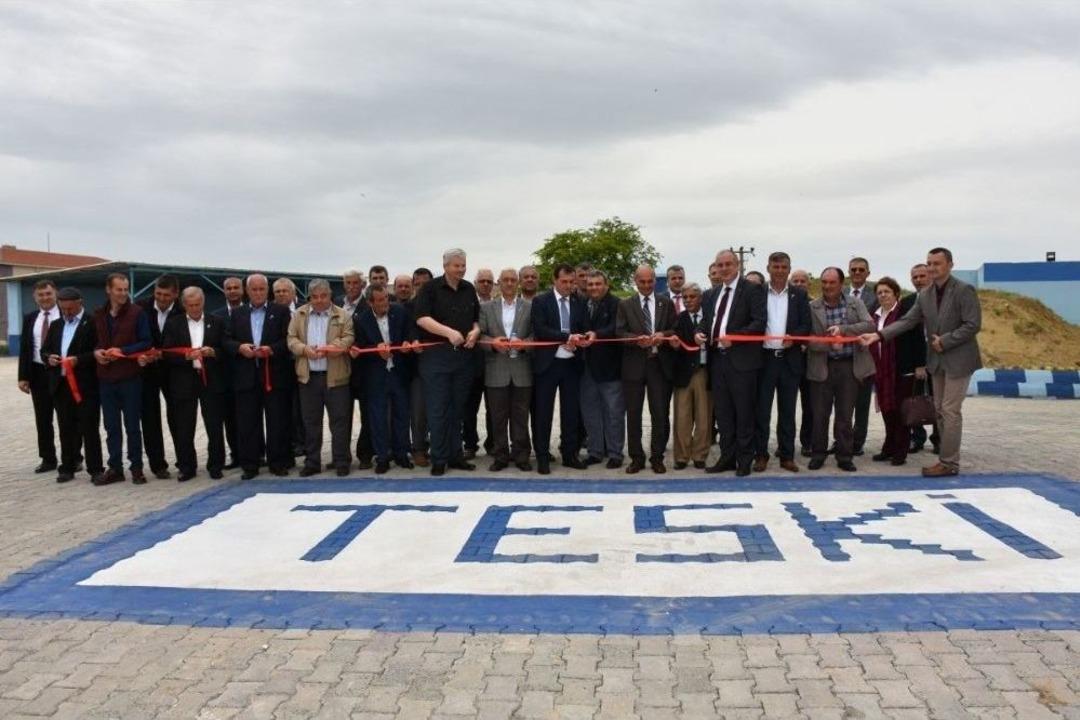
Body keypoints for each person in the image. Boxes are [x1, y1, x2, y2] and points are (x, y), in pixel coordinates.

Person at [861, 248, 982, 477]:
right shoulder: (925, 295)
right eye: (929, 263)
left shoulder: (964, 290)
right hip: (936, 362)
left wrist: (945, 341)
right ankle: (946, 459)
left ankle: (948, 463)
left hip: (959, 359)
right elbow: (907, 321)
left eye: (937, 263)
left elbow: (972, 324)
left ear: (950, 265)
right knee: (940, 410)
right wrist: (878, 336)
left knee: (950, 410)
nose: (932, 267)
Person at [694, 250, 767, 476]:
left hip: (743, 361)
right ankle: (727, 457)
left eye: (728, 264)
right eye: (720, 265)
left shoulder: (752, 290)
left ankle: (745, 459)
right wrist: (698, 333)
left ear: (737, 265)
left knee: (744, 413)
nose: (724, 268)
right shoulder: (710, 294)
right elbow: (707, 322)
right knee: (724, 414)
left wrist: (734, 339)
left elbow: (759, 323)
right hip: (717, 362)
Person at [414, 249, 482, 476]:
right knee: (438, 409)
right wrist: (448, 333)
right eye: (456, 266)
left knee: (457, 409)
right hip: (436, 358)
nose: (461, 269)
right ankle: (439, 458)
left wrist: (475, 332)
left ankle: (456, 455)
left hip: (463, 358)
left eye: (463, 265)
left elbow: (476, 320)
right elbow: (422, 318)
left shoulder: (468, 288)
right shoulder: (430, 288)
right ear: (445, 266)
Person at [224, 274, 294, 479]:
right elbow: (226, 340)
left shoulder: (280, 312)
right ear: (247, 291)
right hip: (246, 377)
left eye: (261, 289)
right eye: (254, 289)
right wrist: (239, 347)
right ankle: (250, 465)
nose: (258, 293)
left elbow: (287, 340)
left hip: (274, 376)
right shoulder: (236, 314)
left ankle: (278, 463)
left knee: (277, 421)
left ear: (267, 291)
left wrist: (271, 349)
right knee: (247, 423)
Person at [806, 268, 875, 472]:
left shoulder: (855, 303)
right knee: (819, 414)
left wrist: (843, 332)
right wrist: (829, 344)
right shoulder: (812, 307)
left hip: (849, 366)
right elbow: (808, 339)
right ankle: (818, 453)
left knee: (845, 415)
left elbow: (869, 326)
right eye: (824, 282)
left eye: (832, 282)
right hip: (822, 365)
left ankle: (844, 456)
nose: (827, 286)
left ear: (841, 283)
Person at [287, 278, 355, 476]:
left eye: (323, 296)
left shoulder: (343, 315)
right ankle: (312, 462)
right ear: (309, 297)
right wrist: (304, 349)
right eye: (315, 297)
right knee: (311, 423)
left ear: (330, 295)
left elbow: (349, 336)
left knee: (340, 422)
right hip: (308, 378)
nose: (319, 300)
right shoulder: (298, 315)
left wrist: (336, 347)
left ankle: (341, 461)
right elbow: (291, 339)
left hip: (336, 377)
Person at [753, 252, 811, 473]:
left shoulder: (799, 295)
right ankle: (761, 455)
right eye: (775, 266)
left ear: (789, 268)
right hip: (764, 360)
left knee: (787, 412)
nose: (779, 270)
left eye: (783, 267)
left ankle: (787, 456)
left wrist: (794, 337)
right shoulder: (756, 292)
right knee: (762, 412)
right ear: (768, 268)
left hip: (790, 361)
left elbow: (806, 324)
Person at [93, 272, 152, 485]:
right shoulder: (99, 313)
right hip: (106, 379)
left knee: (132, 426)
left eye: (126, 289)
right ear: (108, 290)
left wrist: (123, 351)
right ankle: (115, 468)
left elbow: (146, 341)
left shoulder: (138, 313)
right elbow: (95, 342)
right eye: (119, 289)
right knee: (111, 427)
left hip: (130, 378)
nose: (123, 293)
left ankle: (136, 468)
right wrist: (97, 353)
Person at [531, 263, 590, 475]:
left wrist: (581, 338)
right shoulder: (541, 301)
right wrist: (566, 337)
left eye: (571, 282)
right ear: (554, 280)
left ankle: (569, 454)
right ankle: (543, 456)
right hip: (548, 364)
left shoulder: (580, 301)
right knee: (543, 412)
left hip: (572, 363)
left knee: (571, 412)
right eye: (564, 282)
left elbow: (583, 327)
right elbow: (541, 329)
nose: (568, 286)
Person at [162, 287, 226, 481]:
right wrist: (186, 357)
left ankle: (216, 465)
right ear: (184, 305)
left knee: (214, 424)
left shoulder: (217, 322)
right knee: (184, 426)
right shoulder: (174, 324)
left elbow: (226, 349)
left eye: (198, 304)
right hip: (184, 380)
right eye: (190, 305)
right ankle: (187, 466)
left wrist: (213, 352)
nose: (195, 308)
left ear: (203, 303)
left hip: (211, 380)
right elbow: (167, 352)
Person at [618, 265, 676, 474]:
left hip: (658, 366)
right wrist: (635, 340)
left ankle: (657, 457)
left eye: (649, 281)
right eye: (642, 282)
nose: (646, 285)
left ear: (654, 281)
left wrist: (663, 334)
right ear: (635, 281)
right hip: (633, 366)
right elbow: (619, 333)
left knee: (659, 413)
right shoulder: (625, 304)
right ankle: (636, 458)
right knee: (633, 415)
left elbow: (674, 330)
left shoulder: (666, 303)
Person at [43, 287, 104, 484]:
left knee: (89, 428)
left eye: (70, 308)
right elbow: (45, 350)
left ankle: (95, 469)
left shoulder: (92, 323)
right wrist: (48, 358)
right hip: (61, 386)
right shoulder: (56, 325)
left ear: (79, 303)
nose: (67, 312)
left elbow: (98, 351)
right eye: (63, 309)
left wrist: (79, 359)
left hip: (85, 386)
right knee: (65, 428)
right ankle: (67, 467)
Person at [350, 285, 414, 473]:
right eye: (379, 300)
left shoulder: (400, 312)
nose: (384, 303)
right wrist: (375, 351)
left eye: (386, 298)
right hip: (375, 376)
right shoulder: (361, 320)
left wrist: (406, 344)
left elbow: (409, 333)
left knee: (402, 415)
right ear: (370, 302)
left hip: (398, 372)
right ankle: (382, 457)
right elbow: (360, 347)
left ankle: (402, 454)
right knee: (377, 418)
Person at [478, 268, 533, 471]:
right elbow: (480, 336)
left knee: (520, 416)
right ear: (498, 283)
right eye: (505, 280)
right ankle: (500, 455)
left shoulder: (529, 307)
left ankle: (521, 456)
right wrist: (493, 342)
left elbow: (537, 334)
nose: (509, 283)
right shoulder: (486, 307)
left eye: (513, 280)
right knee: (498, 417)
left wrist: (525, 344)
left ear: (518, 283)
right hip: (496, 368)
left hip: (521, 369)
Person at [865, 277, 918, 466]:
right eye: (879, 292)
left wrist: (919, 365)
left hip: (901, 370)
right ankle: (889, 447)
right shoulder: (874, 314)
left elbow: (917, 338)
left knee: (900, 412)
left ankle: (900, 451)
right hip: (881, 371)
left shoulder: (906, 313)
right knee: (887, 410)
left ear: (896, 293)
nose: (883, 295)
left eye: (887, 291)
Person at [137, 275, 182, 480]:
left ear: (175, 294)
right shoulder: (139, 308)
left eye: (166, 294)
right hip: (147, 371)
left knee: (178, 417)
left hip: (174, 371)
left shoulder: (183, 310)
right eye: (158, 294)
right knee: (150, 418)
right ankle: (158, 465)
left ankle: (184, 461)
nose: (161, 298)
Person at [580, 270, 625, 469]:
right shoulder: (582, 304)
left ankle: (615, 453)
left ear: (606, 285)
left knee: (614, 413)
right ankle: (595, 451)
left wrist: (596, 334)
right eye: (590, 284)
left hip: (610, 369)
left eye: (598, 284)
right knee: (591, 413)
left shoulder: (617, 304)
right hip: (586, 368)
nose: (594, 288)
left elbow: (617, 329)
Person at [18, 279, 60, 473]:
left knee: (67, 418)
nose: (45, 298)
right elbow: (25, 349)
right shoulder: (30, 318)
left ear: (55, 294)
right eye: (41, 295)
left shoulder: (65, 314)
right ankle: (48, 459)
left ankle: (74, 458)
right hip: (37, 374)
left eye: (48, 294)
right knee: (43, 420)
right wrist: (23, 376)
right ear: (35, 297)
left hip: (61, 373)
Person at [670, 283, 711, 470]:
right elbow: (674, 343)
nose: (688, 300)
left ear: (700, 298)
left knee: (704, 417)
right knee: (682, 417)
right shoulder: (679, 319)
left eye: (692, 297)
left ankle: (700, 455)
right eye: (684, 297)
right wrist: (675, 346)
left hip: (705, 371)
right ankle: (681, 456)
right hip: (684, 374)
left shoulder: (711, 318)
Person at [211, 276, 244, 469]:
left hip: (249, 373)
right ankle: (236, 455)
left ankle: (257, 453)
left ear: (242, 290)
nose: (232, 291)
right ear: (224, 291)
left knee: (251, 417)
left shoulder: (252, 312)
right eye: (228, 288)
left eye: (236, 287)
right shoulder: (216, 316)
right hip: (225, 376)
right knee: (230, 418)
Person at [907, 263, 940, 454]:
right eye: (915, 277)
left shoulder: (941, 299)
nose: (918, 280)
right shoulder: (908, 302)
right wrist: (918, 363)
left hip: (940, 357)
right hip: (916, 359)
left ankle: (939, 439)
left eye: (922, 276)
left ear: (930, 276)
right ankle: (917, 437)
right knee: (916, 400)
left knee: (939, 400)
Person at [847, 256, 878, 457]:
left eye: (861, 270)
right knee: (843, 405)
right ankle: (842, 440)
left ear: (868, 272)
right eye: (853, 269)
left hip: (866, 357)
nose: (857, 273)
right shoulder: (839, 293)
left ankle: (857, 443)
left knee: (862, 404)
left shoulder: (876, 295)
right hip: (842, 358)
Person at [463, 268, 495, 459]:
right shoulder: (468, 303)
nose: (485, 284)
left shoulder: (498, 305)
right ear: (475, 283)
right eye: (481, 281)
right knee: (469, 409)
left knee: (494, 410)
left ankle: (493, 444)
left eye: (489, 282)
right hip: (471, 364)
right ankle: (469, 444)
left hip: (493, 364)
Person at [274, 277, 305, 462]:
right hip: (282, 366)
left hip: (304, 363)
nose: (281, 294)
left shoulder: (306, 308)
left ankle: (305, 442)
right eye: (277, 291)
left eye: (285, 291)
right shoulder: (271, 311)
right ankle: (292, 443)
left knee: (305, 408)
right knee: (288, 408)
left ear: (293, 293)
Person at [789, 269, 815, 456]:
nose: (799, 284)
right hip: (789, 361)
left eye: (802, 281)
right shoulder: (786, 303)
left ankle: (808, 442)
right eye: (795, 281)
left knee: (810, 406)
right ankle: (786, 445)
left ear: (808, 283)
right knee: (787, 406)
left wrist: (807, 343)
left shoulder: (816, 304)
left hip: (811, 362)